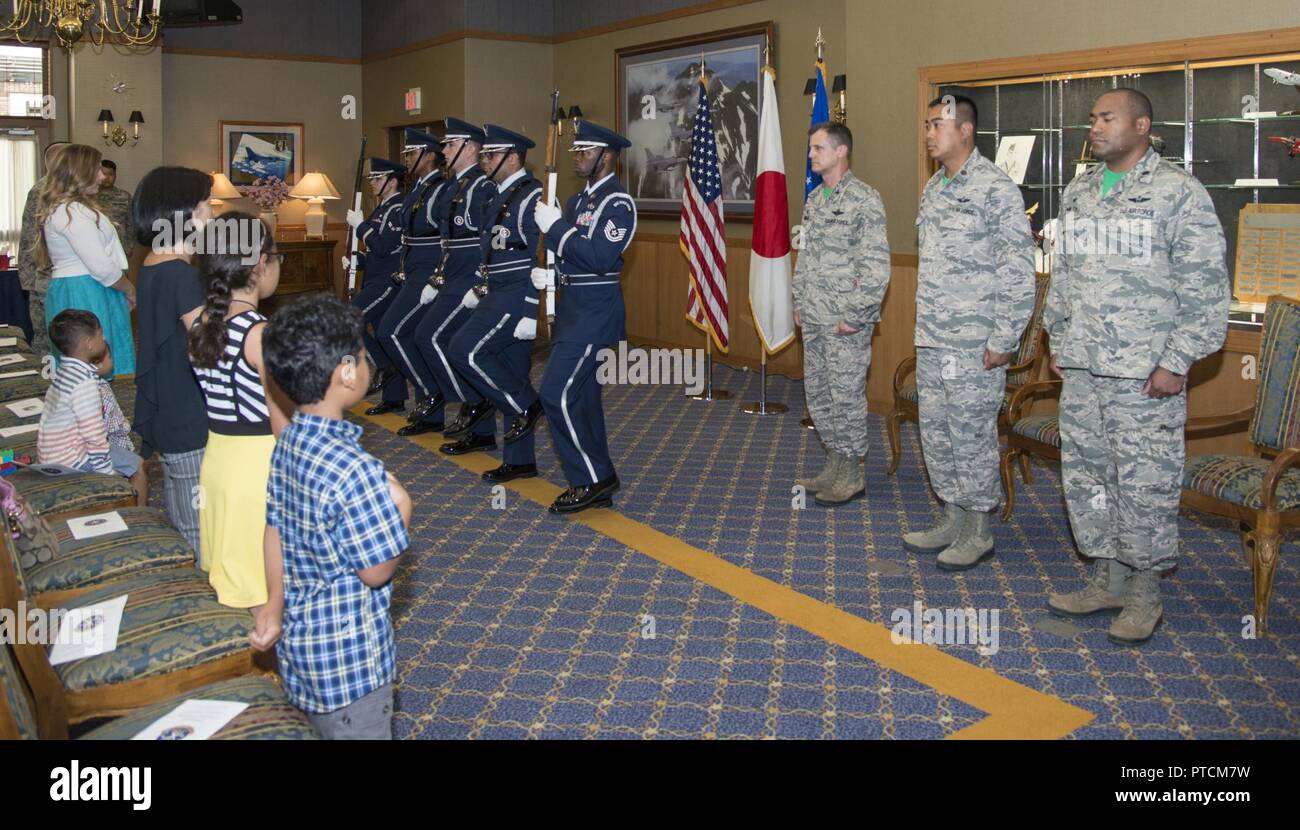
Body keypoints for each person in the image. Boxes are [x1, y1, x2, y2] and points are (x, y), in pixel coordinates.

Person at [1044, 88, 1229, 645]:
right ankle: (1109, 577)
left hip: (1145, 372)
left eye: (1107, 118)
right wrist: (1058, 337)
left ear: (1142, 125)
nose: (1094, 127)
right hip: (1083, 366)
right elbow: (1065, 275)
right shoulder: (1078, 192)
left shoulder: (1178, 193)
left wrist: (1176, 362)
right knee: (1089, 475)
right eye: (1093, 118)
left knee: (1144, 480)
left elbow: (1205, 288)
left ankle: (1146, 590)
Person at [256, 294, 412, 740]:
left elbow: (274, 528)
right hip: (352, 667)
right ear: (346, 373)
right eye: (362, 356)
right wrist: (401, 509)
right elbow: (376, 571)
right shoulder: (355, 469)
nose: (366, 363)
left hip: (303, 647)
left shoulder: (286, 442)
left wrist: (272, 602)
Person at [904, 95, 1035, 570]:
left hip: (976, 343)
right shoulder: (934, 189)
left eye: (937, 124)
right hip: (935, 338)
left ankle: (979, 526)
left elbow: (1018, 272)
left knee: (971, 433)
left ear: (965, 131)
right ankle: (952, 515)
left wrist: (1003, 340)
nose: (929, 134)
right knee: (937, 431)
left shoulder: (995, 190)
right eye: (926, 125)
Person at [533, 119, 636, 512]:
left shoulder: (618, 204)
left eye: (585, 151)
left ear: (606, 157)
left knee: (555, 393)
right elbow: (574, 259)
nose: (578, 157)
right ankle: (600, 476)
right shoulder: (577, 202)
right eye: (576, 151)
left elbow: (599, 258)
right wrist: (552, 274)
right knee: (583, 399)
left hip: (595, 316)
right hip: (573, 314)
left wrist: (556, 228)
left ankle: (590, 478)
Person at [189, 212, 290, 612]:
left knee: (236, 576)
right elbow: (282, 421)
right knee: (265, 585)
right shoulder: (258, 334)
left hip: (219, 460)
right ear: (261, 264)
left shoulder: (201, 323)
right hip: (259, 467)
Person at [792, 122, 891, 507]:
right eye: (811, 148)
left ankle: (852, 473)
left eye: (818, 148)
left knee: (846, 396)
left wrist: (857, 314)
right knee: (819, 395)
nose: (811, 155)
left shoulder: (865, 200)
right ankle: (834, 463)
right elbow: (806, 258)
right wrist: (799, 302)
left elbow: (876, 267)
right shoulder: (815, 200)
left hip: (844, 321)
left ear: (840, 152)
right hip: (815, 316)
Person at [443, 124, 543, 476]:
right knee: (512, 369)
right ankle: (519, 461)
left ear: (512, 158)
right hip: (496, 287)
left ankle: (526, 406)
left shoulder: (534, 194)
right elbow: (489, 249)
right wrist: (479, 285)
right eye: (483, 154)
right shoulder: (498, 193)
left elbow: (539, 257)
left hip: (516, 291)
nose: (484, 160)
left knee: (464, 349)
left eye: (491, 155)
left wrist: (532, 308)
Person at [132, 166, 214, 555]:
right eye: (206, 205)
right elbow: (211, 347)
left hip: (169, 402)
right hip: (187, 412)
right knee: (199, 528)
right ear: (184, 213)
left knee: (189, 512)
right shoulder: (181, 275)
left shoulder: (152, 261)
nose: (212, 215)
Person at [409, 118, 497, 441]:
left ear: (470, 148)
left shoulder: (483, 186)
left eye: (450, 144)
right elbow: (445, 237)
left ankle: (475, 403)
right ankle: (476, 415)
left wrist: (481, 279)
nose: (443, 150)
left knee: (434, 337)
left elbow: (488, 238)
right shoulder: (452, 186)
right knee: (427, 336)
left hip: (470, 274)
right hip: (450, 274)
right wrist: (437, 276)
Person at [36, 143, 136, 376]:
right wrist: (129, 288)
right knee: (89, 366)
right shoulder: (72, 212)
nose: (103, 176)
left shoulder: (70, 209)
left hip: (88, 286)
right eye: (98, 170)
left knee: (92, 367)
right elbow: (101, 266)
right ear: (80, 173)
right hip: (85, 289)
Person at [374, 128, 447, 430]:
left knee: (393, 331)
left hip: (428, 269)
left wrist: (439, 274)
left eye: (413, 153)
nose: (408, 159)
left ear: (429, 156)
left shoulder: (440, 189)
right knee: (404, 334)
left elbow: (445, 235)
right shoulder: (418, 188)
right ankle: (429, 403)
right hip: (412, 267)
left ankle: (432, 394)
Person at [37, 309, 147, 506]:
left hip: (51, 455)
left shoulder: (64, 372)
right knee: (138, 466)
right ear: (88, 343)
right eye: (100, 335)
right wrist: (107, 476)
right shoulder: (85, 383)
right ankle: (137, 514)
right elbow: (94, 436)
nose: (104, 339)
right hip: (73, 461)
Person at [346, 157, 409, 417]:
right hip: (374, 276)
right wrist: (358, 260)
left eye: (378, 179)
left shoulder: (398, 207)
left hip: (388, 281)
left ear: (392, 182)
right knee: (382, 332)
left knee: (350, 319)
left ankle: (385, 366)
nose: (373, 183)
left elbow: (384, 246)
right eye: (372, 178)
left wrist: (361, 226)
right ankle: (394, 397)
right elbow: (375, 252)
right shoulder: (381, 207)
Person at [17, 140, 70, 357]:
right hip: (46, 274)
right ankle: (43, 384)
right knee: (48, 335)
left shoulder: (65, 188)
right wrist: (31, 278)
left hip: (54, 274)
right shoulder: (45, 190)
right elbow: (32, 237)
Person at [97, 159, 135, 260]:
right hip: (97, 247)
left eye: (111, 174)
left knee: (121, 275)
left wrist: (130, 246)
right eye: (103, 174)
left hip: (120, 247)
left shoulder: (124, 196)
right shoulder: (90, 196)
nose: (107, 178)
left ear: (115, 176)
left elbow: (131, 223)